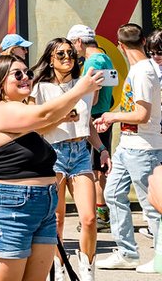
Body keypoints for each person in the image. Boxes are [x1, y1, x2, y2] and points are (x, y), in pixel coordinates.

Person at [0, 54, 102, 280]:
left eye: (28, 73)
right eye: (17, 74)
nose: (25, 77)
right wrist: (80, 90)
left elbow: (42, 121)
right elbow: (43, 113)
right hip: (8, 207)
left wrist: (62, 118)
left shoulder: (18, 110)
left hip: (41, 205)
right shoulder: (0, 109)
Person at [29, 37, 101, 280]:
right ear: (50, 58)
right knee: (57, 219)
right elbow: (35, 126)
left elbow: (87, 122)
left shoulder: (84, 85)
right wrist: (60, 119)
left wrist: (101, 148)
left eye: (71, 53)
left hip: (80, 152)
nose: (68, 58)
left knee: (89, 218)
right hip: (53, 153)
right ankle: (60, 268)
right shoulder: (39, 88)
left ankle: (87, 270)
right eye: (60, 54)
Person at [93, 23, 162, 271]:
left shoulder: (143, 72)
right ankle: (127, 253)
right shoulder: (141, 69)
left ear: (120, 45)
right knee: (112, 194)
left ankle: (159, 258)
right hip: (130, 145)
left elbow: (142, 115)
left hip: (144, 148)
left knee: (152, 205)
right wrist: (115, 117)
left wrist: (112, 117)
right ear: (143, 40)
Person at [68, 23, 115, 230]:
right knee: (99, 167)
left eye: (72, 45)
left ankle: (99, 214)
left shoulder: (92, 62)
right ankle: (101, 213)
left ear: (79, 41)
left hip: (93, 118)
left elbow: (92, 97)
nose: (71, 50)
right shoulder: (105, 57)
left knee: (93, 169)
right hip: (103, 117)